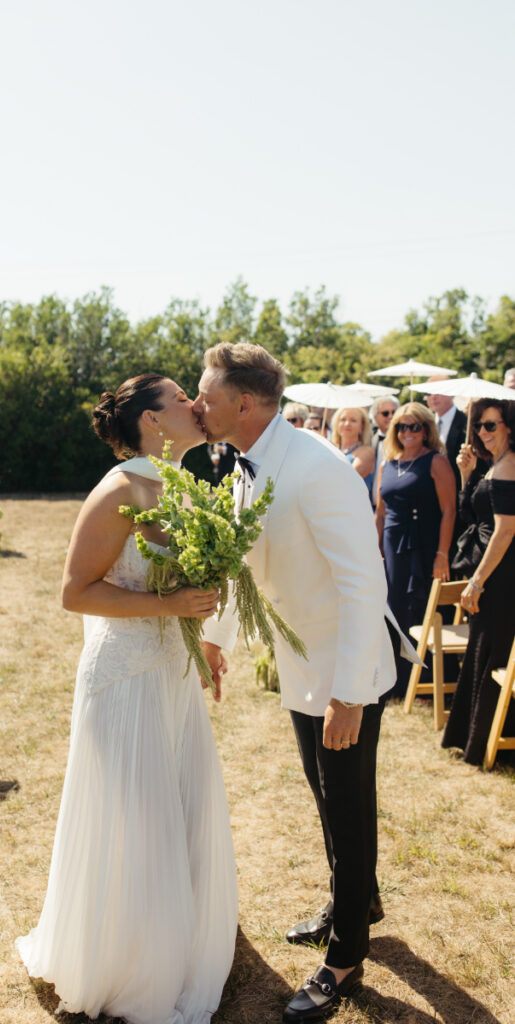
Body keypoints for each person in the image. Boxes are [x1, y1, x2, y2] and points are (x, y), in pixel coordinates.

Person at [192, 344, 415, 1024]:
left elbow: (361, 583)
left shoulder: (317, 469)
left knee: (345, 805)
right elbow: (244, 556)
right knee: (325, 795)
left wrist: (348, 693)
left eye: (205, 397)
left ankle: (345, 955)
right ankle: (358, 899)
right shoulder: (249, 459)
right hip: (300, 663)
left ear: (245, 404)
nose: (197, 408)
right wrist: (215, 639)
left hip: (345, 667)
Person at [16, 374, 238, 1024]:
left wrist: (199, 637)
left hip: (170, 668)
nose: (194, 406)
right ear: (150, 421)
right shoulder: (120, 489)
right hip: (124, 676)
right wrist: (168, 605)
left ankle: (176, 935)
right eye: (178, 399)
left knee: (172, 804)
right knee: (134, 817)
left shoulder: (182, 487)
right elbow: (74, 592)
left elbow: (184, 579)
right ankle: (126, 960)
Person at [442, 399, 515, 765]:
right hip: (491, 571)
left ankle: (490, 743)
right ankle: (476, 738)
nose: (483, 433)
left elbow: (505, 531)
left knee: (493, 652)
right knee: (483, 650)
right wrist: (468, 475)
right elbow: (475, 514)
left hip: (501, 577)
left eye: (491, 425)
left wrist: (478, 582)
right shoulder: (495, 465)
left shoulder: (508, 468)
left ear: (509, 427)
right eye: (480, 426)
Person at [374, 403, 456, 699]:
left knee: (419, 607)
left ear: (426, 430)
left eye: (414, 427)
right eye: (401, 427)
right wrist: (373, 550)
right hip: (392, 546)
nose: (407, 432)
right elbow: (380, 513)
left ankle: (422, 684)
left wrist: (442, 554)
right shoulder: (387, 463)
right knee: (392, 607)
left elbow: (449, 510)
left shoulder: (436, 461)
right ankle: (395, 681)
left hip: (424, 544)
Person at [330, 407, 376, 499]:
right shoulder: (330, 449)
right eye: (343, 419)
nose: (347, 424)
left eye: (353, 420)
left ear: (362, 426)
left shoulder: (367, 452)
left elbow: (348, 480)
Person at [370, 396, 399, 480]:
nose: (390, 416)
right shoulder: (369, 440)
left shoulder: (406, 440)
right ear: (375, 417)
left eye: (394, 412)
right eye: (385, 413)